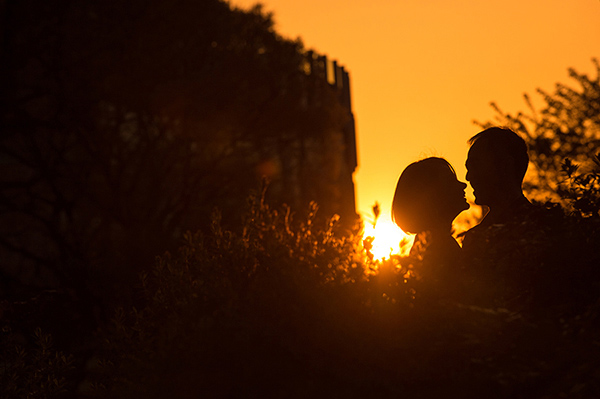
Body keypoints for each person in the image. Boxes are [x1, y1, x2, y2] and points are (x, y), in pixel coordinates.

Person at [461, 127, 563, 309]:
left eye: (475, 165)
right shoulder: (474, 238)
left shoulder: (550, 228)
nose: (469, 177)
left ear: (505, 164)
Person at [392, 157, 469, 293]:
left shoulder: (429, 245)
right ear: (432, 196)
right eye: (450, 182)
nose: (463, 185)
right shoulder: (439, 248)